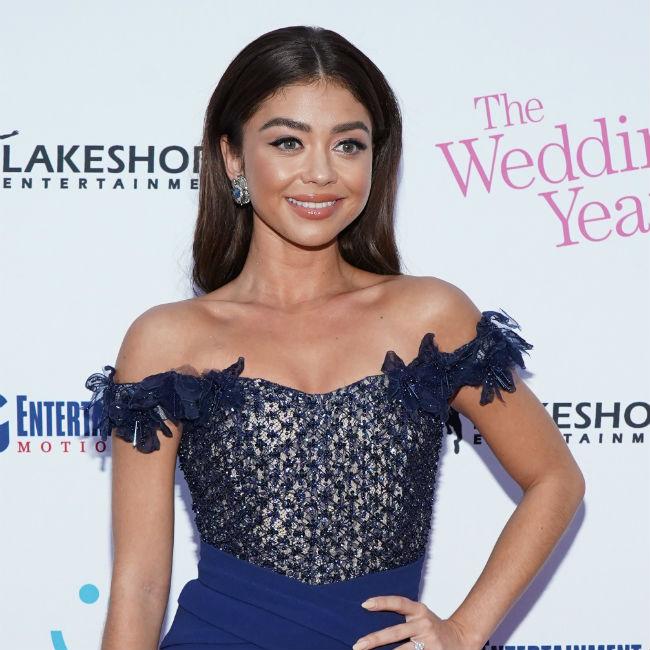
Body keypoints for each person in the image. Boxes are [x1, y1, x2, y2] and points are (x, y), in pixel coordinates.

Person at [83, 25, 585, 650]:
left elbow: (555, 478)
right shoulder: (166, 339)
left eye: (348, 144)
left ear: (375, 158)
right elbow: (138, 586)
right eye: (288, 142)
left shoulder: (430, 314)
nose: (320, 172)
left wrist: (464, 630)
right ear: (233, 158)